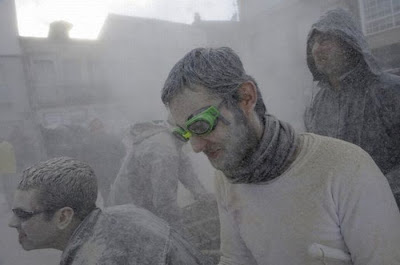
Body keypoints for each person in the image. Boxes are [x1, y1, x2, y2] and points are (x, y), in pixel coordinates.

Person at [161, 47, 400, 264]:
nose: (195, 146)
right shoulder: (227, 177)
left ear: (246, 97)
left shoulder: (345, 168)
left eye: (202, 125)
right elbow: (236, 259)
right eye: (184, 133)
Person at [8, 157, 212, 265]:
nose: (12, 222)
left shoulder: (99, 259)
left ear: (64, 216)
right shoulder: (126, 214)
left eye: (23, 214)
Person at [304, 9, 400, 206]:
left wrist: (378, 189)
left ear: (348, 43)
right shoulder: (318, 104)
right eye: (314, 42)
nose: (316, 49)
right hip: (345, 215)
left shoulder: (389, 91)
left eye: (325, 41)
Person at [107, 120, 209, 225]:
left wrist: (203, 195)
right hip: (128, 208)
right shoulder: (164, 151)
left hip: (141, 202)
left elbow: (187, 172)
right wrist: (177, 228)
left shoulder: (170, 141)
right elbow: (165, 200)